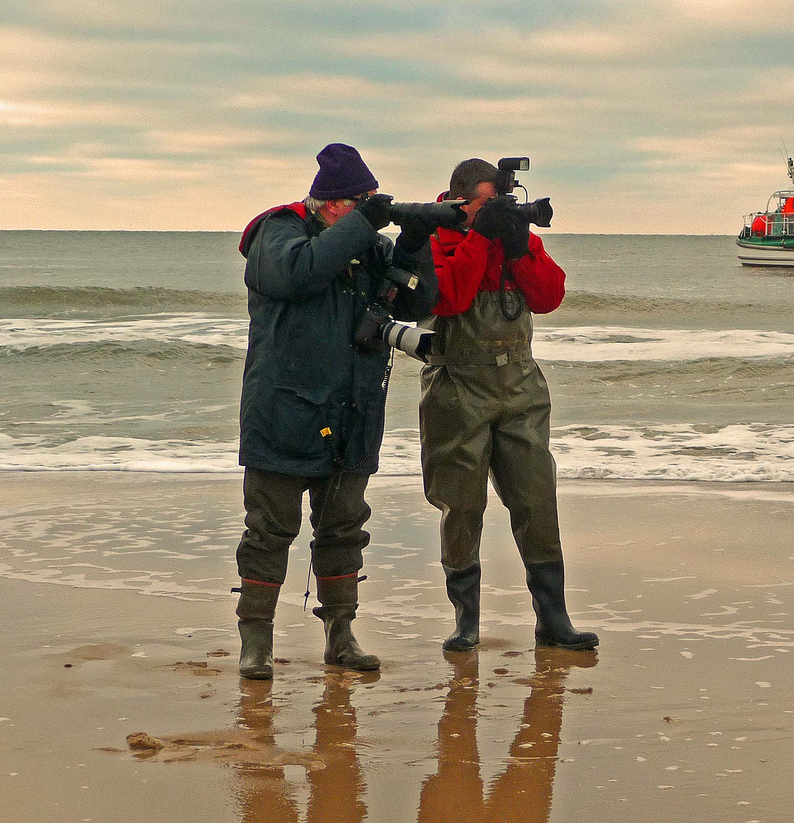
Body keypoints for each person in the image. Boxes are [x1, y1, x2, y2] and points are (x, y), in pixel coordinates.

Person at [234, 143, 438, 680]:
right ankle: (255, 643)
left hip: (352, 414)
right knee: (268, 532)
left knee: (344, 529)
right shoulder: (277, 233)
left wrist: (413, 244)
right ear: (328, 204)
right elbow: (299, 273)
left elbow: (419, 304)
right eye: (360, 204)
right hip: (283, 411)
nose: (371, 215)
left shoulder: (365, 247)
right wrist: (368, 222)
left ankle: (341, 636)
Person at [419, 158, 598, 653]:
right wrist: (480, 238)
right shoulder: (436, 237)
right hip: (457, 385)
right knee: (462, 504)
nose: (500, 212)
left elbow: (550, 296)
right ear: (460, 201)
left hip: (520, 383)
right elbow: (449, 297)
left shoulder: (517, 238)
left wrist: (517, 247)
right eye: (488, 203)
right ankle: (466, 621)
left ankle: (553, 619)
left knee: (537, 499)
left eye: (503, 203)